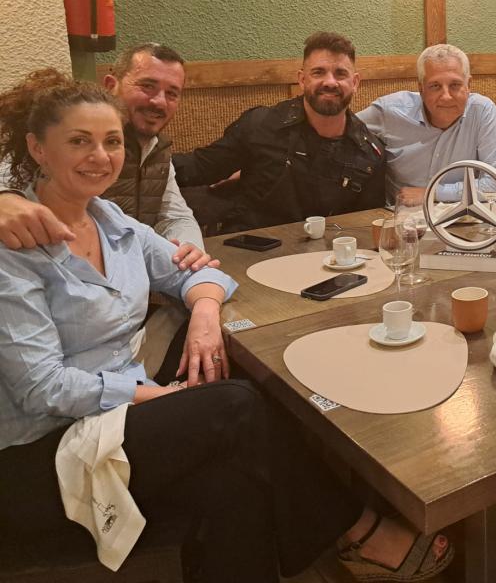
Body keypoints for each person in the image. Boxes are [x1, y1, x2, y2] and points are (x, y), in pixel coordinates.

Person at [0, 70, 451, 583]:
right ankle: (360, 530)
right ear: (38, 149)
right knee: (237, 405)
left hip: (112, 423)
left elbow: (200, 273)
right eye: (79, 141)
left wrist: (207, 317)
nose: (101, 157)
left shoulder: (113, 224)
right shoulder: (12, 246)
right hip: (42, 451)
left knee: (235, 483)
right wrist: (155, 396)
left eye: (111, 141)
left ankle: (351, 534)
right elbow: (42, 388)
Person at [0, 43, 211, 268]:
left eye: (172, 93)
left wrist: (190, 250)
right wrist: (4, 198)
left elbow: (174, 215)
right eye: (147, 86)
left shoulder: (156, 149)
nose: (159, 101)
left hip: (131, 282)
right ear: (111, 85)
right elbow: (8, 172)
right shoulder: (61, 141)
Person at [174, 31, 387, 231]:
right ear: (302, 80)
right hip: (250, 254)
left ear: (355, 82)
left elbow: (364, 227)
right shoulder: (260, 125)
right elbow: (199, 167)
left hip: (326, 261)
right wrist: (146, 162)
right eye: (318, 72)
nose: (330, 82)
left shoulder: (370, 153)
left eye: (340, 73)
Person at [356, 42, 496, 205]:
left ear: (468, 86)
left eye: (455, 85)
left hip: (465, 220)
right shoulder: (390, 112)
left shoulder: (482, 111)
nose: (446, 96)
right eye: (435, 86)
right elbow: (342, 129)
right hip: (402, 222)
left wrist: (432, 193)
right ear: (421, 88)